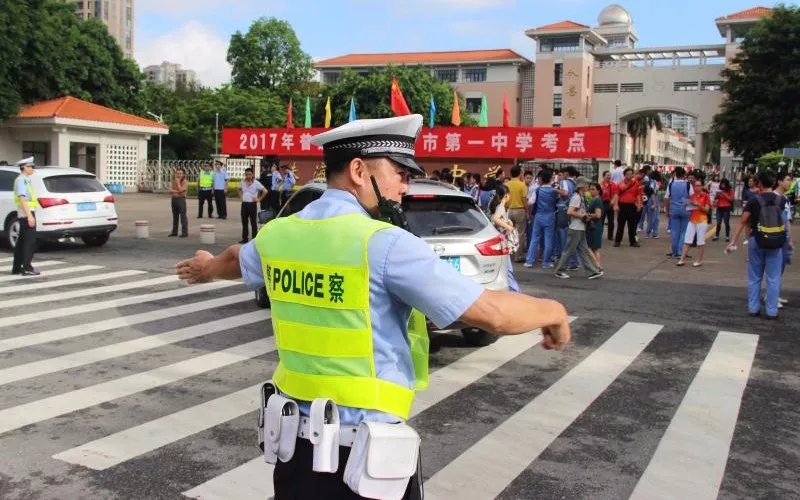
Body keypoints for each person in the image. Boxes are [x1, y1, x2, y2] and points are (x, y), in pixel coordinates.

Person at [175, 115, 571, 499]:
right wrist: (552, 311)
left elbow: (234, 257)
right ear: (360, 171)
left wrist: (206, 268)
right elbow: (491, 314)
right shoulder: (383, 244)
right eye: (401, 173)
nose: (405, 185)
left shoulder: (279, 233)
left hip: (294, 455)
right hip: (363, 461)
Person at [727, 170, 784, 319]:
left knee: (755, 276)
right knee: (773, 278)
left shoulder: (754, 200)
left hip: (756, 240)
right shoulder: (781, 200)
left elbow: (743, 221)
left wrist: (733, 241)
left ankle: (754, 308)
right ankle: (772, 311)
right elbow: (784, 221)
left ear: (759, 183)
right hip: (776, 242)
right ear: (774, 182)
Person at [554, 177, 603, 280]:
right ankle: (559, 270)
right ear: (582, 186)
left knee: (583, 250)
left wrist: (584, 215)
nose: (588, 187)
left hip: (579, 227)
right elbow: (570, 211)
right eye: (586, 185)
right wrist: (583, 216)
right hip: (576, 228)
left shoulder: (580, 197)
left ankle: (592, 271)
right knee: (570, 250)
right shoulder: (577, 197)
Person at [524, 169, 558, 269]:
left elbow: (530, 202)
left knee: (534, 239)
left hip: (539, 216)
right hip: (550, 216)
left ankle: (529, 261)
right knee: (548, 239)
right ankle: (546, 262)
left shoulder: (537, 190)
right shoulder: (554, 191)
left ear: (541, 179)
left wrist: (529, 214)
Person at [11, 157, 40, 276]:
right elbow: (22, 198)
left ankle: (17, 267)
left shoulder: (25, 179)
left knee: (22, 242)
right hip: (26, 213)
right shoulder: (21, 180)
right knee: (30, 242)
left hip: (25, 213)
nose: (32, 169)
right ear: (24, 168)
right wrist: (30, 216)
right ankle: (27, 267)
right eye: (31, 167)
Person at [676, 179, 711, 267]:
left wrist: (698, 205)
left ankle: (699, 260)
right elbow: (689, 209)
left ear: (702, 186)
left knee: (700, 241)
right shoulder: (692, 196)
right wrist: (687, 205)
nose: (697, 187)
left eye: (699, 185)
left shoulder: (706, 196)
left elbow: (707, 210)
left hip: (702, 220)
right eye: (695, 186)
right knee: (687, 240)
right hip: (692, 220)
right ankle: (682, 259)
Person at [664, 167, 693, 257]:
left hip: (674, 209)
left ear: (675, 174)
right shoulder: (688, 184)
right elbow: (691, 197)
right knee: (684, 231)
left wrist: (667, 210)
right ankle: (681, 251)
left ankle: (675, 251)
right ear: (684, 175)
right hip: (685, 209)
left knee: (674, 231)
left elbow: (667, 198)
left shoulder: (671, 184)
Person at [612, 168, 641, 248]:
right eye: (627, 174)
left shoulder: (636, 183)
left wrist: (639, 205)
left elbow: (638, 195)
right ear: (624, 175)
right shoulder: (620, 184)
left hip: (632, 206)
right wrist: (616, 205)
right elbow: (616, 195)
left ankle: (634, 241)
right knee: (620, 225)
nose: (629, 175)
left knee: (633, 226)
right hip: (622, 206)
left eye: (631, 174)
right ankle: (617, 241)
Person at [238, 167, 267, 244]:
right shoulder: (242, 182)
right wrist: (241, 197)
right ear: (245, 175)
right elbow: (239, 189)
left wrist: (259, 199)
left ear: (252, 174)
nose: (248, 176)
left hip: (252, 204)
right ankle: (245, 238)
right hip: (244, 204)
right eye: (246, 174)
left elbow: (265, 191)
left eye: (249, 174)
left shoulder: (256, 183)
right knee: (244, 222)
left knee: (253, 222)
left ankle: (254, 238)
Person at [506, 165, 528, 262]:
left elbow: (504, 198)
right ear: (520, 173)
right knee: (520, 234)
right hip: (519, 210)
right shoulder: (522, 185)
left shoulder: (506, 184)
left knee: (509, 233)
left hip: (509, 210)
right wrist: (527, 211)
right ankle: (517, 256)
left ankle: (509, 254)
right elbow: (524, 200)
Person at [586, 182, 605, 270]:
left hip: (594, 226)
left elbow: (598, 215)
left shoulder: (597, 200)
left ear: (598, 190)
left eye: (593, 189)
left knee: (588, 247)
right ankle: (598, 265)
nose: (591, 191)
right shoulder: (594, 199)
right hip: (594, 226)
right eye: (590, 189)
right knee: (595, 248)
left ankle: (597, 265)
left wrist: (588, 215)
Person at [169, 167, 189, 237]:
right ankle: (174, 232)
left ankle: (184, 232)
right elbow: (170, 190)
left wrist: (177, 183)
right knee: (175, 216)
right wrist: (178, 191)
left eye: (180, 173)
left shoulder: (185, 182)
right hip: (174, 200)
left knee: (183, 216)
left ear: (183, 174)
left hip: (181, 200)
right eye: (177, 173)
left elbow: (182, 190)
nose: (179, 175)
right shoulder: (173, 181)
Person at [600, 170, 617, 241]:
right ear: (603, 176)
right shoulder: (600, 185)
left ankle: (610, 236)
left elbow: (616, 194)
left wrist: (613, 202)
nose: (609, 177)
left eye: (610, 175)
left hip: (610, 203)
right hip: (603, 204)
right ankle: (599, 234)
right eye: (607, 175)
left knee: (611, 221)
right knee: (601, 221)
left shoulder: (613, 184)